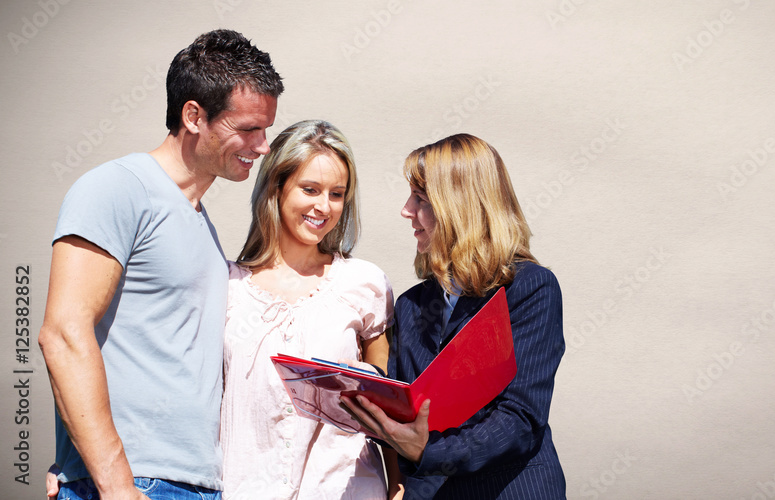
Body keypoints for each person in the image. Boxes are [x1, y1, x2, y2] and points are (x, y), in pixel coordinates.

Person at [39, 29, 282, 500]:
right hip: (138, 482)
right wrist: (112, 483)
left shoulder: (200, 224)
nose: (263, 145)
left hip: (194, 483)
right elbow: (63, 334)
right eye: (248, 128)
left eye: (266, 129)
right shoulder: (118, 187)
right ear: (194, 115)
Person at [341, 134, 567, 499]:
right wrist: (353, 390)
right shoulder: (413, 304)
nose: (405, 210)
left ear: (459, 207)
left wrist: (427, 452)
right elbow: (405, 410)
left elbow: (520, 421)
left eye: (421, 200)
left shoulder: (529, 288)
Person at [220, 119, 402, 499]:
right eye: (310, 189)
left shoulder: (363, 284)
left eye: (337, 194)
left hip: (345, 489)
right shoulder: (226, 287)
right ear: (277, 186)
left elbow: (388, 408)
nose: (324, 206)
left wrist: (398, 487)